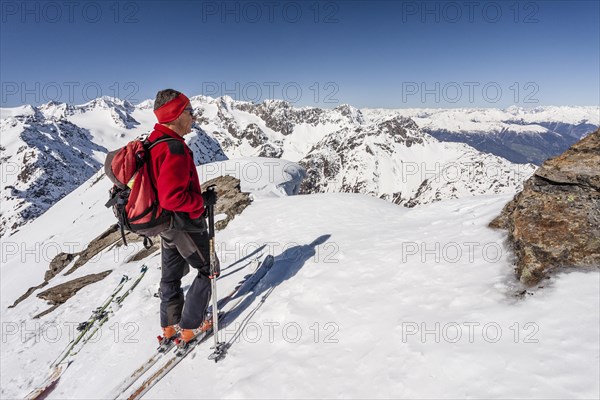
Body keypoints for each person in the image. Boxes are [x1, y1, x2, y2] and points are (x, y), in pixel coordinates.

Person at [147, 88, 218, 345]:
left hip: (164, 224)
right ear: (176, 114)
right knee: (208, 268)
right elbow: (172, 197)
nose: (194, 117)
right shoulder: (174, 148)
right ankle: (192, 325)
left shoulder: (154, 142)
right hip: (184, 223)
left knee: (171, 275)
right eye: (190, 111)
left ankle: (170, 325)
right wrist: (202, 201)